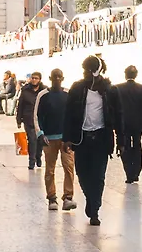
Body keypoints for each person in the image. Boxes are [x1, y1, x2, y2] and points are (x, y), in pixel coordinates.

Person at [62, 55, 121, 226]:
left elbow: (118, 115)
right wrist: (67, 139)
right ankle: (90, 198)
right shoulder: (77, 88)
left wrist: (121, 141)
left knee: (99, 176)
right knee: (82, 173)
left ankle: (94, 209)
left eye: (90, 71)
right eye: (85, 71)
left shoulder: (110, 90)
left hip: (101, 139)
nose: (87, 74)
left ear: (97, 71)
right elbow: (68, 114)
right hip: (81, 140)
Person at [35, 70, 74, 210]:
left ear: (62, 78)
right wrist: (40, 134)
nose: (57, 79)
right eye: (54, 77)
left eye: (59, 77)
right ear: (50, 78)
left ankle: (68, 197)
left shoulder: (68, 94)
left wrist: (71, 136)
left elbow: (72, 116)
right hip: (49, 139)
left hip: (66, 139)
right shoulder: (43, 95)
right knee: (50, 170)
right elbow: (37, 116)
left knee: (69, 167)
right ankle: (52, 198)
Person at [113, 65, 142, 184]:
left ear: (125, 74)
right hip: (138, 123)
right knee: (137, 146)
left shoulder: (118, 88)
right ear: (136, 75)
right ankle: (136, 172)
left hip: (123, 123)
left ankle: (129, 173)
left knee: (124, 147)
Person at [16, 71, 46, 170]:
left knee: (40, 140)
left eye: (36, 78)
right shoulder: (25, 90)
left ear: (40, 80)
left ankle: (38, 157)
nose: (34, 80)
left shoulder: (44, 90)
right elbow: (20, 105)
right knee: (32, 140)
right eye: (32, 78)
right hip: (28, 119)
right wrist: (19, 120)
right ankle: (31, 161)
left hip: (40, 119)